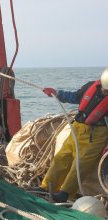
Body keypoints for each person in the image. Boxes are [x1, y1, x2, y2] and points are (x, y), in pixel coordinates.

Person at [37, 68, 108, 203]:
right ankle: (46, 187)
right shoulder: (90, 86)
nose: (106, 92)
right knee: (61, 158)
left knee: (80, 166)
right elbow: (75, 96)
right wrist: (56, 93)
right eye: (105, 89)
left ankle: (65, 193)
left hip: (96, 135)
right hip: (77, 128)